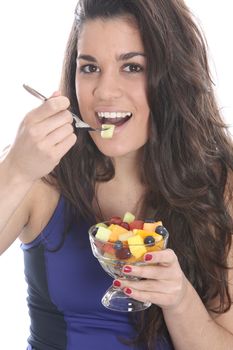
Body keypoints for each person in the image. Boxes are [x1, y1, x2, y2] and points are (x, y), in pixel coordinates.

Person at [0, 0, 233, 349]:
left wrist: (180, 300)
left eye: (132, 67)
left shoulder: (220, 184)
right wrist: (16, 169)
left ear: (171, 77)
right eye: (90, 68)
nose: (104, 92)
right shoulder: (43, 176)